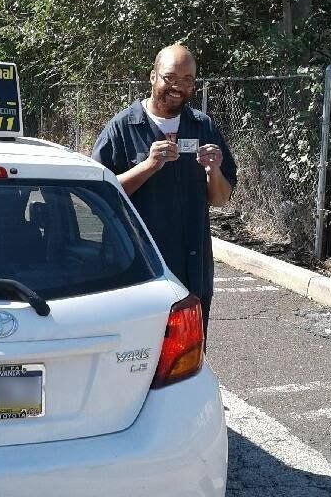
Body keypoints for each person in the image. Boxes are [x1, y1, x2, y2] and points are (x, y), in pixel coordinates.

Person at [92, 44, 236, 341]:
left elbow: (220, 198)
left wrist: (214, 171)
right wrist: (148, 166)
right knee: (135, 353)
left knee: (187, 357)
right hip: (137, 267)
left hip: (191, 267)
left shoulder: (202, 126)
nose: (179, 87)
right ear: (152, 77)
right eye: (170, 77)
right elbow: (100, 197)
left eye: (187, 80)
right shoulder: (121, 128)